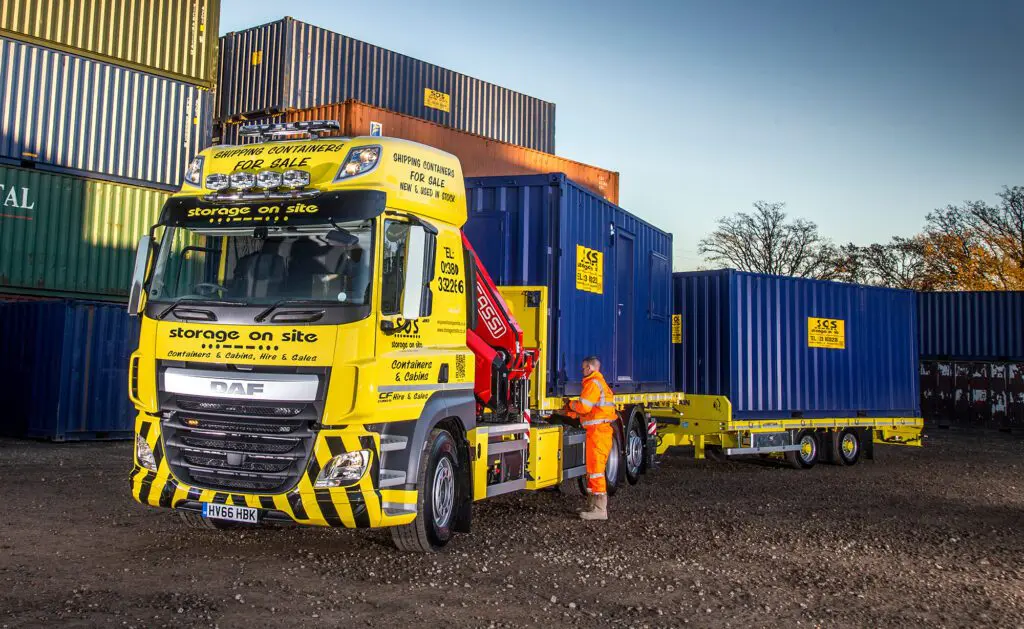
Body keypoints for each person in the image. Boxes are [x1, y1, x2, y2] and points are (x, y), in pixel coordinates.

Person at [566, 356, 617, 521]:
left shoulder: (592, 384)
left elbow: (583, 407)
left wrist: (569, 404)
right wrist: (568, 412)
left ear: (590, 367)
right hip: (598, 431)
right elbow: (589, 411)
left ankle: (600, 509)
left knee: (596, 471)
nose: (582, 371)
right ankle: (592, 505)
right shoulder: (598, 383)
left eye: (583, 368)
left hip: (598, 432)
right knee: (592, 470)